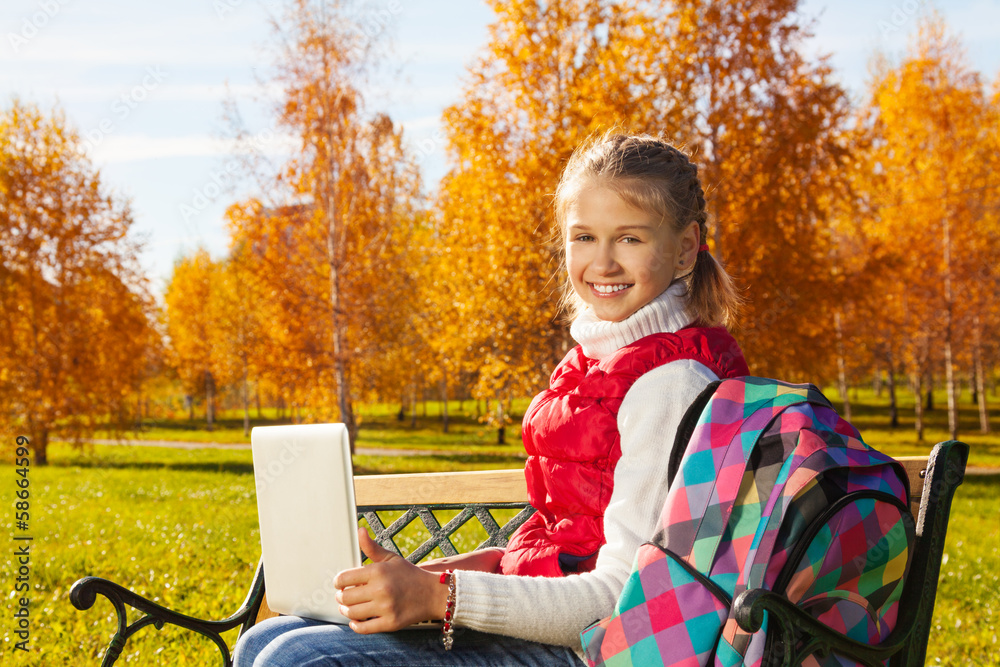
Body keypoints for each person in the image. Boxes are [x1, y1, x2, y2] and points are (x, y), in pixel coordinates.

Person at [233, 132, 749, 667]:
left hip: (597, 652)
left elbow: (619, 601)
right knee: (268, 640)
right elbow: (562, 554)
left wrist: (440, 598)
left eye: (629, 239)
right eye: (583, 237)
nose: (603, 262)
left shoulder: (672, 384)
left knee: (295, 660)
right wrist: (420, 581)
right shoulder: (594, 365)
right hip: (559, 632)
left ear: (686, 247)